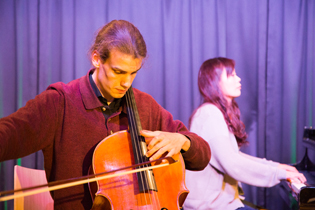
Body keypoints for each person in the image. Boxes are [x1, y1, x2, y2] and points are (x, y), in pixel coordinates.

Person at [0, 20, 211, 209]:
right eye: (118, 72)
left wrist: (183, 140)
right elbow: (9, 135)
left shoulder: (145, 105)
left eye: (133, 72)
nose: (126, 83)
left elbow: (202, 155)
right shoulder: (60, 103)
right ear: (96, 59)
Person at [183, 57, 306, 210]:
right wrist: (278, 173)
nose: (239, 79)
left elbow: (235, 156)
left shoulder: (215, 112)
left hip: (223, 204)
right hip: (210, 207)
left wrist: (278, 167)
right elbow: (232, 163)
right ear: (214, 81)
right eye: (232, 75)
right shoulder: (208, 114)